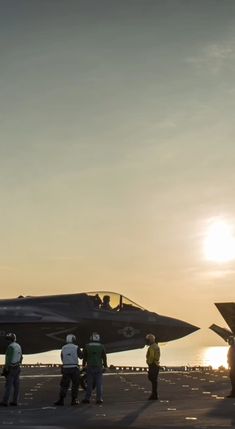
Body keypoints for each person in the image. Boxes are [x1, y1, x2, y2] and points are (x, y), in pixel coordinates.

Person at [54, 334, 83, 406]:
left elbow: (62, 357)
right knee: (75, 385)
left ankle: (61, 400)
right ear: (73, 339)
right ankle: (74, 400)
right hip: (74, 368)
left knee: (64, 385)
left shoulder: (63, 348)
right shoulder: (76, 347)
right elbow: (81, 356)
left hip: (66, 368)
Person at [82, 332, 107, 404]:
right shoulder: (101, 346)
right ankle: (99, 399)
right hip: (99, 367)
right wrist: (105, 366)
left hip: (89, 367)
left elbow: (84, 357)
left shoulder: (87, 346)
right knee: (99, 384)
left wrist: (83, 365)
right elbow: (104, 357)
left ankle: (87, 399)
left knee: (89, 384)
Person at [0, 333, 23, 407]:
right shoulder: (18, 346)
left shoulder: (10, 347)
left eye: (8, 339)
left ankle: (5, 401)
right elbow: (21, 357)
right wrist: (19, 364)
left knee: (8, 386)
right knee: (16, 386)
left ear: (10, 339)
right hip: (17, 367)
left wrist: (6, 369)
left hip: (11, 367)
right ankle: (15, 401)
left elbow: (8, 359)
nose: (7, 341)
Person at [146, 333, 160, 400]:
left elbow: (151, 356)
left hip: (153, 365)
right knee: (154, 380)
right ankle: (154, 394)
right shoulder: (156, 346)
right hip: (157, 364)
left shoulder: (151, 347)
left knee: (151, 378)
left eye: (148, 340)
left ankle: (154, 395)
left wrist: (149, 362)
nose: (147, 341)